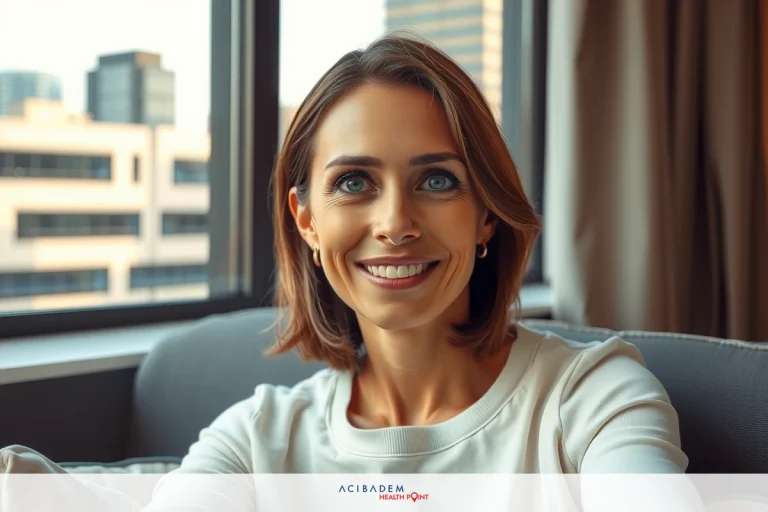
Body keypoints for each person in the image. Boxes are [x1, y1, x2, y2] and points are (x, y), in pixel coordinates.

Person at [3, 33, 692, 511]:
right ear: (306, 220)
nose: (395, 223)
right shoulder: (253, 439)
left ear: (486, 215)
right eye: (356, 182)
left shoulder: (594, 400)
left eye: (438, 181)